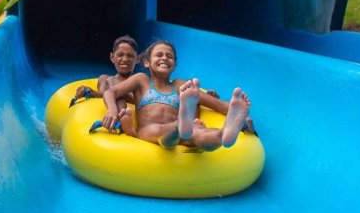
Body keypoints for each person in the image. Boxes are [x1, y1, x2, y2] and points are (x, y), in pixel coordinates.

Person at [102, 40, 251, 150]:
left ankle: (223, 135)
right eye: (159, 55)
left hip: (184, 130)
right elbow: (111, 92)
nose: (164, 58)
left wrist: (239, 115)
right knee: (162, 131)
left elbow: (217, 104)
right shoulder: (142, 80)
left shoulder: (181, 85)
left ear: (175, 64)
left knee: (200, 133)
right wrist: (112, 110)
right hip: (149, 130)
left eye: (169, 56)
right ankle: (179, 126)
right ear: (147, 63)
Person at [73, 35, 138, 122]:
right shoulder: (105, 80)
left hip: (130, 115)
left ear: (137, 59)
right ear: (112, 57)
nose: (125, 59)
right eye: (120, 55)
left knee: (112, 81)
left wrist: (119, 91)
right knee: (106, 79)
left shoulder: (139, 82)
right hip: (116, 107)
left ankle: (121, 120)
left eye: (130, 55)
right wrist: (89, 91)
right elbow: (103, 95)